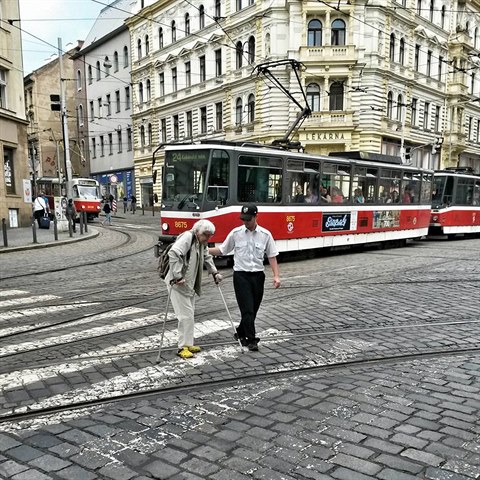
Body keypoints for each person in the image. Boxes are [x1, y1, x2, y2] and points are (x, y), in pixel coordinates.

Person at [209, 204, 281, 352]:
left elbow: (272, 256)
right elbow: (222, 250)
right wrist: (203, 248)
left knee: (253, 309)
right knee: (247, 309)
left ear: (256, 217)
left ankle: (241, 331)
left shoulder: (266, 235)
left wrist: (276, 276)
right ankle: (251, 339)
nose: (245, 222)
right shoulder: (236, 233)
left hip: (258, 276)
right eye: (243, 219)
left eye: (248, 220)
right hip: (241, 276)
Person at [166, 219, 222, 359]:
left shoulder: (201, 242)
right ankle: (182, 347)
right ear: (198, 232)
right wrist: (177, 276)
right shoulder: (187, 237)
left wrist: (214, 272)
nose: (208, 238)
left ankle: (188, 344)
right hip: (178, 283)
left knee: (189, 315)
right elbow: (173, 253)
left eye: (210, 235)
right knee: (185, 315)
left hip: (189, 285)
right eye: (206, 235)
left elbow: (207, 256)